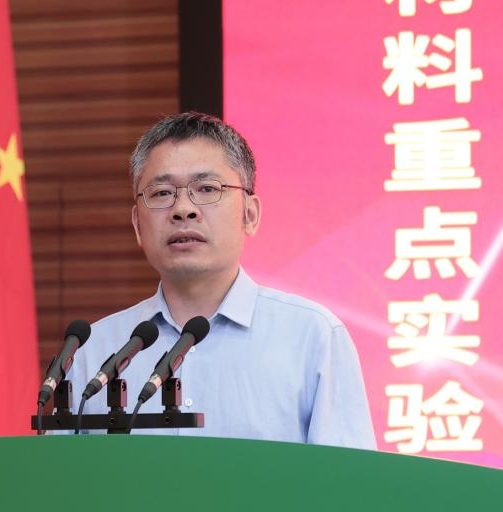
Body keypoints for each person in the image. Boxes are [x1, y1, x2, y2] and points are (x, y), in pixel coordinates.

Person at [66, 112, 375, 449]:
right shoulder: (94, 351)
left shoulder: (312, 337)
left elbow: (350, 479)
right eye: (162, 193)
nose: (183, 209)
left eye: (207, 189)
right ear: (138, 226)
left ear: (249, 214)